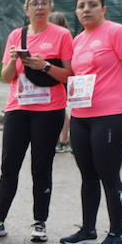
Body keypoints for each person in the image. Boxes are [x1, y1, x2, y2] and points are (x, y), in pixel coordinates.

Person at [0, 0, 73, 243]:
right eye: (34, 3)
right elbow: (6, 76)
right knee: (9, 166)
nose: (39, 7)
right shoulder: (17, 35)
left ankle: (40, 223)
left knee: (41, 166)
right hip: (18, 108)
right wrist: (13, 59)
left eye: (44, 3)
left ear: (50, 8)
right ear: (26, 10)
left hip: (49, 111)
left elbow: (70, 74)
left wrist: (45, 65)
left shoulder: (62, 35)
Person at [62, 0, 122, 244]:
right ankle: (88, 230)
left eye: (92, 4)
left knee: (109, 175)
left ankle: (116, 236)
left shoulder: (117, 33)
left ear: (103, 8)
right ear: (76, 10)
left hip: (111, 116)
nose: (86, 10)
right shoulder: (78, 40)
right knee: (88, 175)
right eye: (81, 5)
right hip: (82, 116)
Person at [48, 10, 73, 152]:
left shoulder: (64, 38)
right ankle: (62, 139)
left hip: (62, 77)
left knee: (62, 110)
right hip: (57, 77)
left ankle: (63, 140)